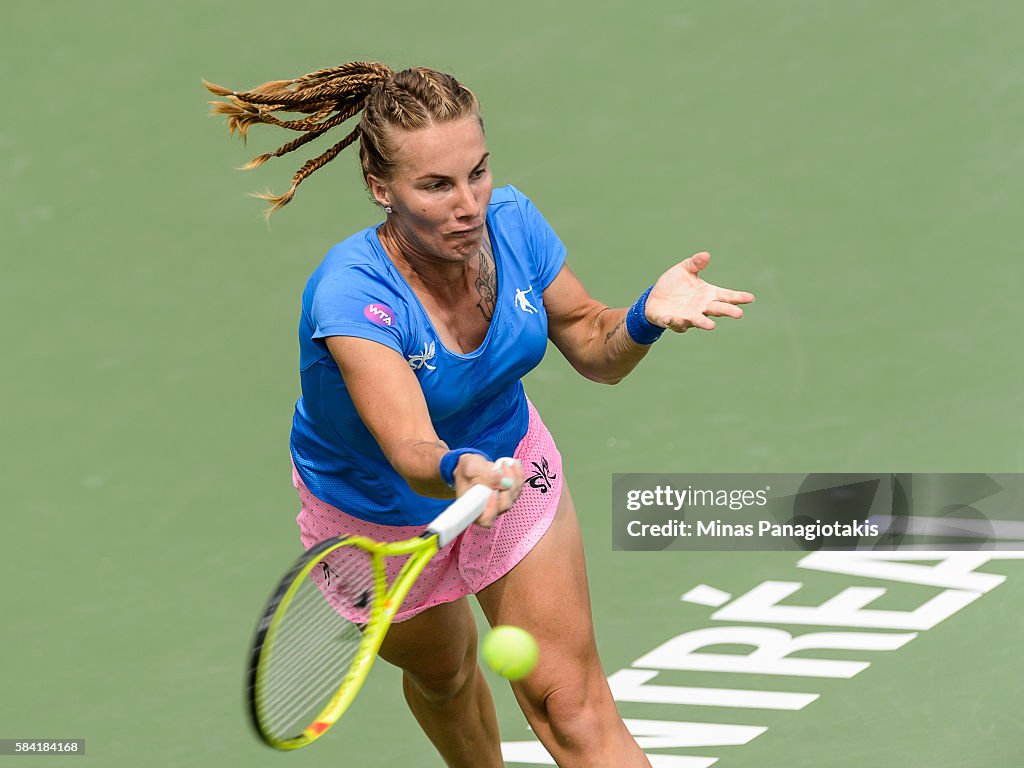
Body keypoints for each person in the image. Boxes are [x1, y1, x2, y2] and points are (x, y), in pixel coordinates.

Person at [206, 61, 753, 767]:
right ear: (382, 188)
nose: (467, 203)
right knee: (446, 676)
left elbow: (593, 344)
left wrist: (644, 315)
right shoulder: (350, 296)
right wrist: (458, 470)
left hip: (508, 463)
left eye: (477, 172)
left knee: (570, 702)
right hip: (376, 513)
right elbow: (407, 442)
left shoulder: (512, 223)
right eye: (435, 185)